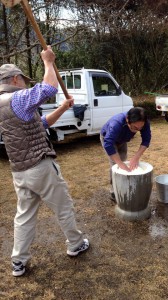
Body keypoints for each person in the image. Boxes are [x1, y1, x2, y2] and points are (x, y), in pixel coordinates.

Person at [0, 46, 89, 277]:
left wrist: (62, 107)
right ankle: (76, 243)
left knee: (24, 216)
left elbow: (41, 124)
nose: (25, 84)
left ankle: (18, 262)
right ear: (16, 79)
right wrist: (48, 62)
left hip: (19, 172)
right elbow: (48, 87)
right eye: (24, 80)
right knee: (64, 207)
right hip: (39, 167)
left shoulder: (3, 104)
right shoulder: (17, 98)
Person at [100, 107, 151, 201]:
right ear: (127, 120)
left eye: (140, 128)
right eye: (135, 127)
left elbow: (146, 140)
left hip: (123, 140)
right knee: (116, 165)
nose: (137, 130)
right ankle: (114, 191)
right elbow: (108, 144)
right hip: (108, 140)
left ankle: (125, 186)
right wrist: (119, 163)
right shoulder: (117, 123)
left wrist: (136, 157)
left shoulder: (144, 122)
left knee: (123, 160)